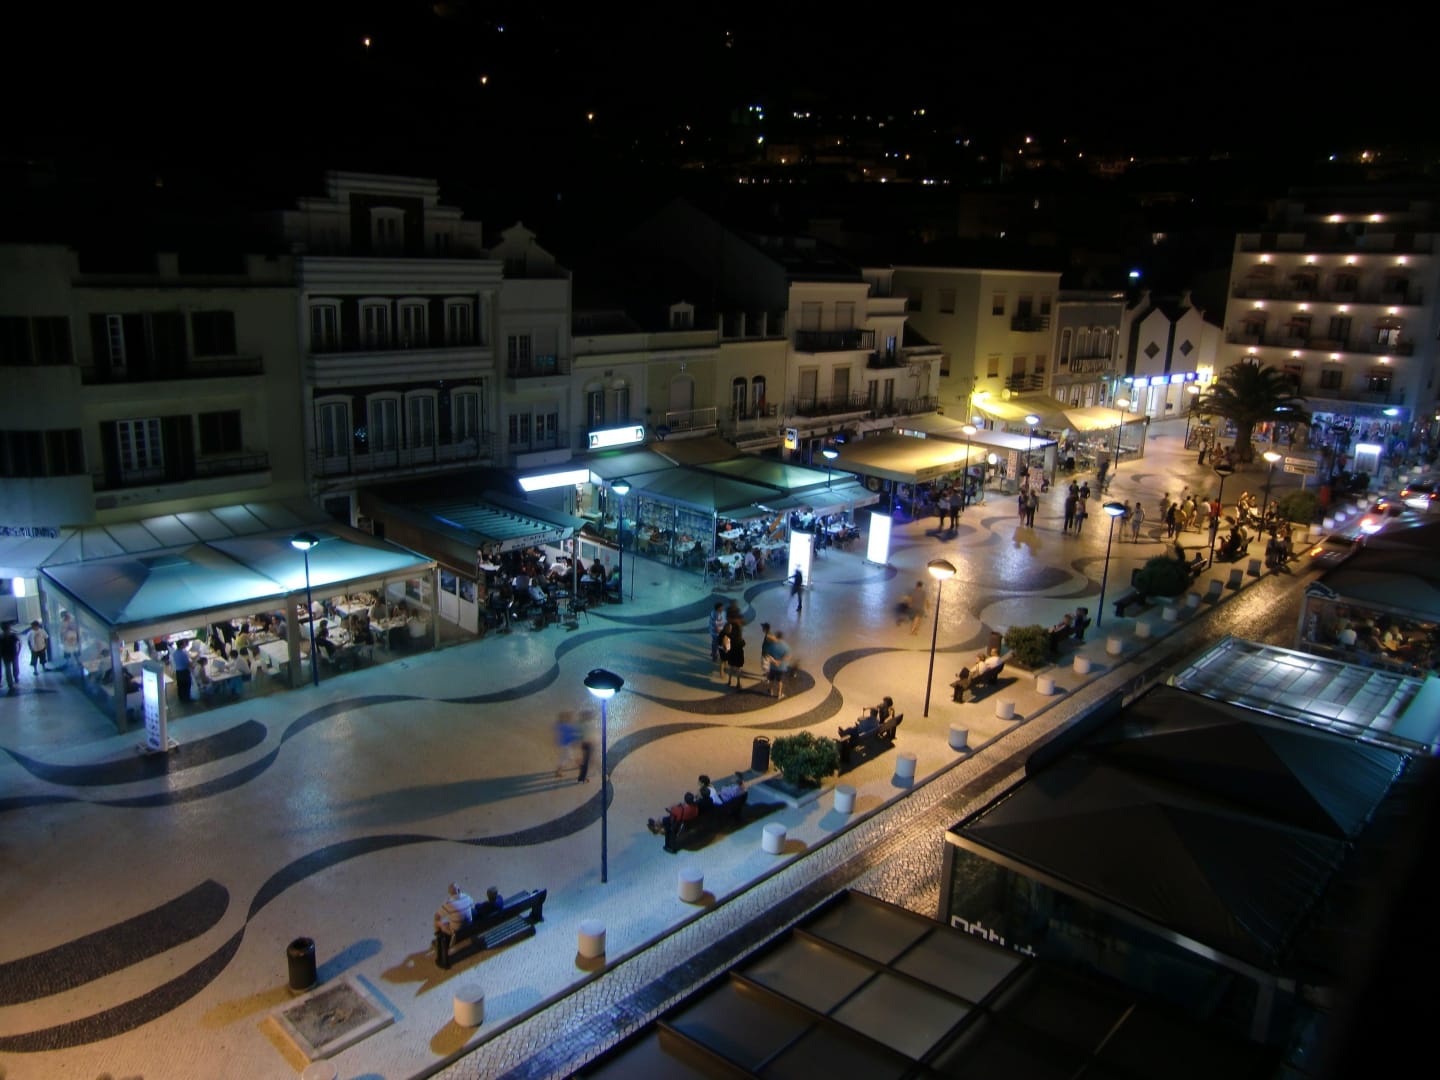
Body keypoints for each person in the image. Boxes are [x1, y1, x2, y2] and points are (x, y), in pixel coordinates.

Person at [554, 711, 581, 776]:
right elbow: (574, 733)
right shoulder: (567, 726)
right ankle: (558, 771)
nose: (572, 719)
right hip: (566, 744)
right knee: (565, 757)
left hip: (563, 744)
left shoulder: (561, 725)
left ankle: (578, 764)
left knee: (569, 756)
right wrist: (577, 740)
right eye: (571, 718)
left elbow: (558, 731)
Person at [725, 620, 747, 689]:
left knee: (731, 668)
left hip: (731, 654)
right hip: (739, 655)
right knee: (738, 669)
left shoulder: (729, 636)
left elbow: (727, 646)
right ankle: (738, 683)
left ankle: (729, 681)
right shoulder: (739, 638)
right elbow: (743, 644)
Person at [1, 622, 20, 691]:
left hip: (5, 655)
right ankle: (15, 677)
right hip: (13, 653)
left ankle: (10, 683)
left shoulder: (1, 636)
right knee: (15, 667)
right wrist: (18, 651)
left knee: (8, 669)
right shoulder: (13, 635)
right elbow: (19, 643)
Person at [709, 602, 727, 671]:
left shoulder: (722, 613)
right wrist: (719, 631)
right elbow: (715, 624)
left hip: (720, 631)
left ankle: (714, 654)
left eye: (722, 607)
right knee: (716, 643)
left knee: (717, 643)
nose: (722, 608)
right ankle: (714, 656)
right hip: (716, 632)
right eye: (721, 607)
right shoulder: (715, 614)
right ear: (718, 608)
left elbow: (724, 621)